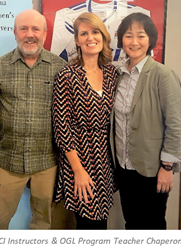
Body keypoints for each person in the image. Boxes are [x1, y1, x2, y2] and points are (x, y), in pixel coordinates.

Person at [0, 9, 67, 230]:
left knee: (43, 223)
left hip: (47, 161)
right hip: (7, 160)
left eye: (36, 29)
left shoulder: (61, 68)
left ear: (45, 34)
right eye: (24, 28)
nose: (30, 34)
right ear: (15, 33)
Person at [110, 12, 181, 230]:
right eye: (128, 35)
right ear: (121, 40)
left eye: (141, 36)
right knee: (131, 222)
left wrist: (167, 167)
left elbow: (175, 124)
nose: (134, 42)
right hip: (124, 166)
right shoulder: (118, 74)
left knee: (152, 225)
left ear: (150, 40)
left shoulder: (163, 74)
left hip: (152, 167)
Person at [52, 12, 117, 230]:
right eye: (84, 33)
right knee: (89, 223)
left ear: (103, 36)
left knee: (100, 221)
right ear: (77, 40)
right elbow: (61, 127)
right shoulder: (67, 75)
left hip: (106, 160)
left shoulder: (111, 74)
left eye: (95, 31)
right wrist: (78, 170)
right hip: (80, 159)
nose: (90, 37)